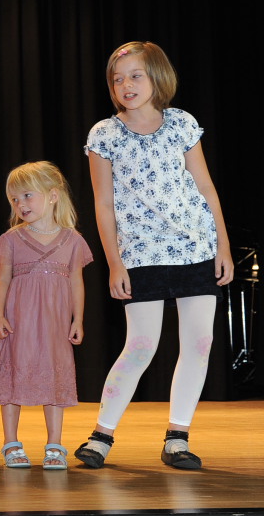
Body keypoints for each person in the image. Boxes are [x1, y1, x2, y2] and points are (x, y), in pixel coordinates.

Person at [75, 41, 231, 470]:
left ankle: (178, 437)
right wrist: (115, 262)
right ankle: (101, 435)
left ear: (157, 77)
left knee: (199, 344)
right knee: (140, 346)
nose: (126, 85)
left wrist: (222, 245)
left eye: (135, 75)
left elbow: (205, 186)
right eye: (117, 79)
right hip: (141, 254)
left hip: (195, 247)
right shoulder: (104, 135)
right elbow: (103, 205)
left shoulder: (182, 123)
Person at [0, 161, 92, 470]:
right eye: (15, 199)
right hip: (18, 323)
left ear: (53, 195)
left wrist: (78, 319)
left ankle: (55, 444)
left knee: (54, 380)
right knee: (12, 379)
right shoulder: (11, 239)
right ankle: (11, 442)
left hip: (54, 325)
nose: (20, 204)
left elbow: (76, 282)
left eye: (27, 195)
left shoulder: (72, 240)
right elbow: (2, 279)